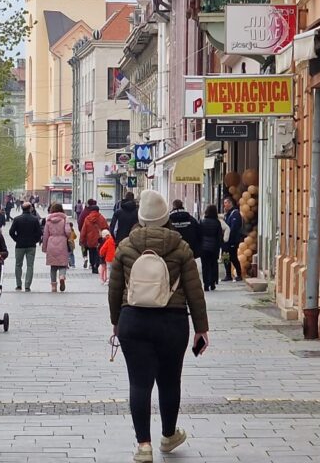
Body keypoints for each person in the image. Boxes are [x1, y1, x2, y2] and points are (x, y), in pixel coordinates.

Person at [108, 189, 209, 463]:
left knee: (139, 384)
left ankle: (143, 446)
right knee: (169, 381)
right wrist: (201, 328)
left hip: (134, 321)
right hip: (172, 322)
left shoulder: (126, 246)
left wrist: (116, 322)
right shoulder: (181, 247)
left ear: (140, 218)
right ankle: (168, 435)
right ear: (166, 219)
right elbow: (194, 290)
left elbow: (115, 288)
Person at [8, 203, 42, 292]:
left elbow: (11, 232)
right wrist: (35, 240)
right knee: (30, 265)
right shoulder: (34, 219)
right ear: (30, 208)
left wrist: (16, 239)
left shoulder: (17, 219)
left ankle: (18, 284)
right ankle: (27, 285)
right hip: (31, 245)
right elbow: (39, 232)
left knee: (18, 265)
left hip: (19, 245)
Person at [40, 203, 73, 293]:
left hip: (51, 242)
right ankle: (62, 277)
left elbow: (45, 234)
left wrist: (44, 247)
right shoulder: (65, 219)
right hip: (62, 242)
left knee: (53, 267)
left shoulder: (48, 220)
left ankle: (53, 286)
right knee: (62, 264)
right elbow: (68, 232)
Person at [80, 200, 109, 274]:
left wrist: (82, 240)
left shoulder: (87, 219)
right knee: (98, 253)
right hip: (99, 239)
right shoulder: (101, 218)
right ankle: (97, 265)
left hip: (90, 239)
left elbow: (84, 230)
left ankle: (92, 266)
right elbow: (106, 227)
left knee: (91, 253)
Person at [198, 205, 224, 291]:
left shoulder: (202, 222)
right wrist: (219, 246)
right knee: (213, 265)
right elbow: (219, 236)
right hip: (214, 248)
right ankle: (212, 283)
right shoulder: (217, 222)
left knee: (205, 266)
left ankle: (206, 284)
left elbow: (199, 235)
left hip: (204, 248)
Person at [222, 197, 244, 282]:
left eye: (226, 203)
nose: (225, 205)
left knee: (233, 257)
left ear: (230, 203)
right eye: (224, 203)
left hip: (232, 240)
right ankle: (228, 275)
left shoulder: (235, 214)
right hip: (226, 241)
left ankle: (239, 274)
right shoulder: (227, 214)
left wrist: (229, 237)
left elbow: (234, 228)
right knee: (225, 257)